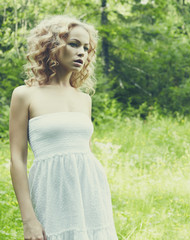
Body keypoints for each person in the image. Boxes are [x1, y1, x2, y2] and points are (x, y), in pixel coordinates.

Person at [9, 15, 118, 240]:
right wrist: (29, 220)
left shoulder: (84, 99)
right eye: (74, 44)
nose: (82, 52)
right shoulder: (25, 95)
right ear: (52, 45)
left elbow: (84, 154)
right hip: (51, 192)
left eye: (86, 48)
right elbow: (17, 160)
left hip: (90, 192)